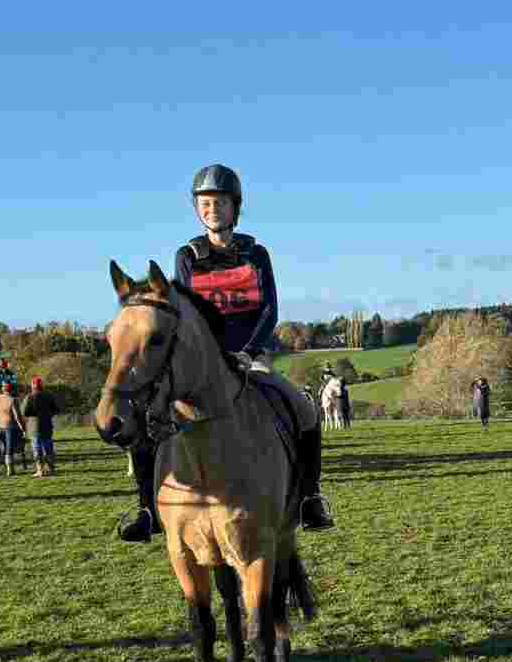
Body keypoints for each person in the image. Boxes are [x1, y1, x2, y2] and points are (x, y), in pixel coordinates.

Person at [115, 163, 335, 540]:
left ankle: (310, 498)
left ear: (235, 207)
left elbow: (269, 309)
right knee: (149, 414)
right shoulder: (186, 256)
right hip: (205, 360)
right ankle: (147, 509)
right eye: (205, 203)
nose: (212, 209)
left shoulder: (256, 253)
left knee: (303, 407)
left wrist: (249, 352)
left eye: (219, 202)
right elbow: (188, 315)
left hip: (252, 355)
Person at [22, 374, 61, 475]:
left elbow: (24, 412)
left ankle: (40, 470)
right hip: (47, 425)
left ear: (32, 386)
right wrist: (48, 414)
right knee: (48, 449)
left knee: (37, 449)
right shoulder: (49, 396)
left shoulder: (29, 397)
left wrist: (33, 415)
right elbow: (56, 410)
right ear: (42, 386)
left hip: (34, 427)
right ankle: (51, 469)